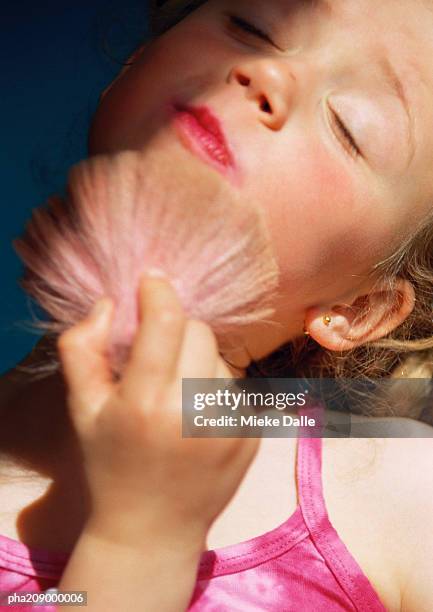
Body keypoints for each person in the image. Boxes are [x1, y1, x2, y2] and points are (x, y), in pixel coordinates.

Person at [0, 0, 432, 610]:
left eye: (350, 125)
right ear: (133, 64)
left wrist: (142, 544)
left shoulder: (406, 496)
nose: (269, 74)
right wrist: (139, 545)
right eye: (252, 27)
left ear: (357, 310)